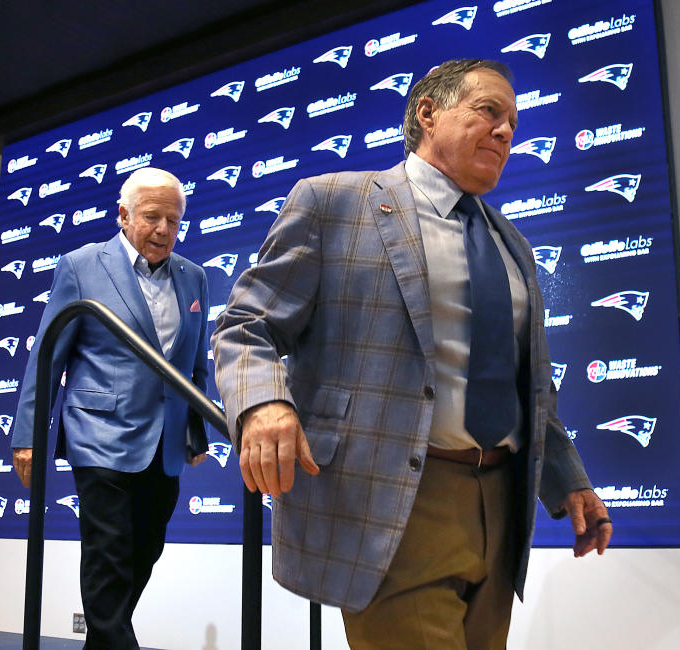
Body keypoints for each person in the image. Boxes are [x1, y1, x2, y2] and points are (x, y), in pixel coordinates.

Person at [211, 59, 611, 649]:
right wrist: (265, 404)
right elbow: (246, 324)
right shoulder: (332, 203)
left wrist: (567, 479)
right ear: (427, 112)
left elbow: (527, 386)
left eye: (514, 124)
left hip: (499, 511)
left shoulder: (514, 244)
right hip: (388, 504)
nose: (507, 132)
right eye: (488, 112)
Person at [11, 167, 209, 650]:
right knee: (110, 554)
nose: (164, 229)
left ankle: (102, 642)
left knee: (146, 549)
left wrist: (196, 431)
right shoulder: (80, 266)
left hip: (164, 441)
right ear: (123, 215)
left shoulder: (194, 277)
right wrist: (27, 435)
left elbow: (194, 362)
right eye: (152, 217)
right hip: (98, 434)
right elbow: (48, 354)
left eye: (173, 220)